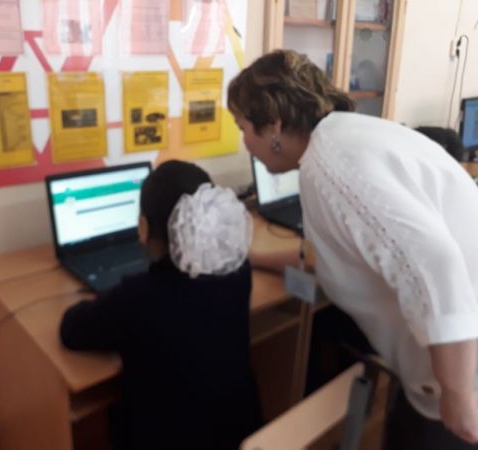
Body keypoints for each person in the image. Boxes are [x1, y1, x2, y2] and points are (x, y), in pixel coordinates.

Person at [227, 49, 478, 449]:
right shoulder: (341, 140)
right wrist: (253, 257)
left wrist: (458, 393)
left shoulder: (332, 167)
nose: (244, 142)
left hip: (462, 371)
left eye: (244, 128)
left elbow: (437, 264)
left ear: (274, 125)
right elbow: (330, 254)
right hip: (446, 360)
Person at [59, 160, 261, 450]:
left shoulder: (137, 296)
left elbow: (71, 330)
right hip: (238, 434)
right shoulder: (239, 272)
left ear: (143, 227)